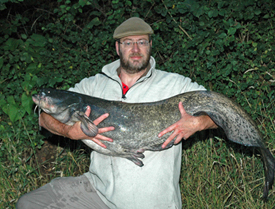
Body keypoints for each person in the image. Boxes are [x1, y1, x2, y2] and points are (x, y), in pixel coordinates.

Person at [17, 17, 217, 209]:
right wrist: (70, 132)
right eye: (128, 42)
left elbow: (221, 110)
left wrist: (200, 123)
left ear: (150, 45)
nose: (136, 49)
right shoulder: (93, 86)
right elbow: (44, 118)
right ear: (117, 47)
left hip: (153, 202)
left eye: (142, 42)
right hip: (98, 193)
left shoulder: (175, 85)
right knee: (30, 204)